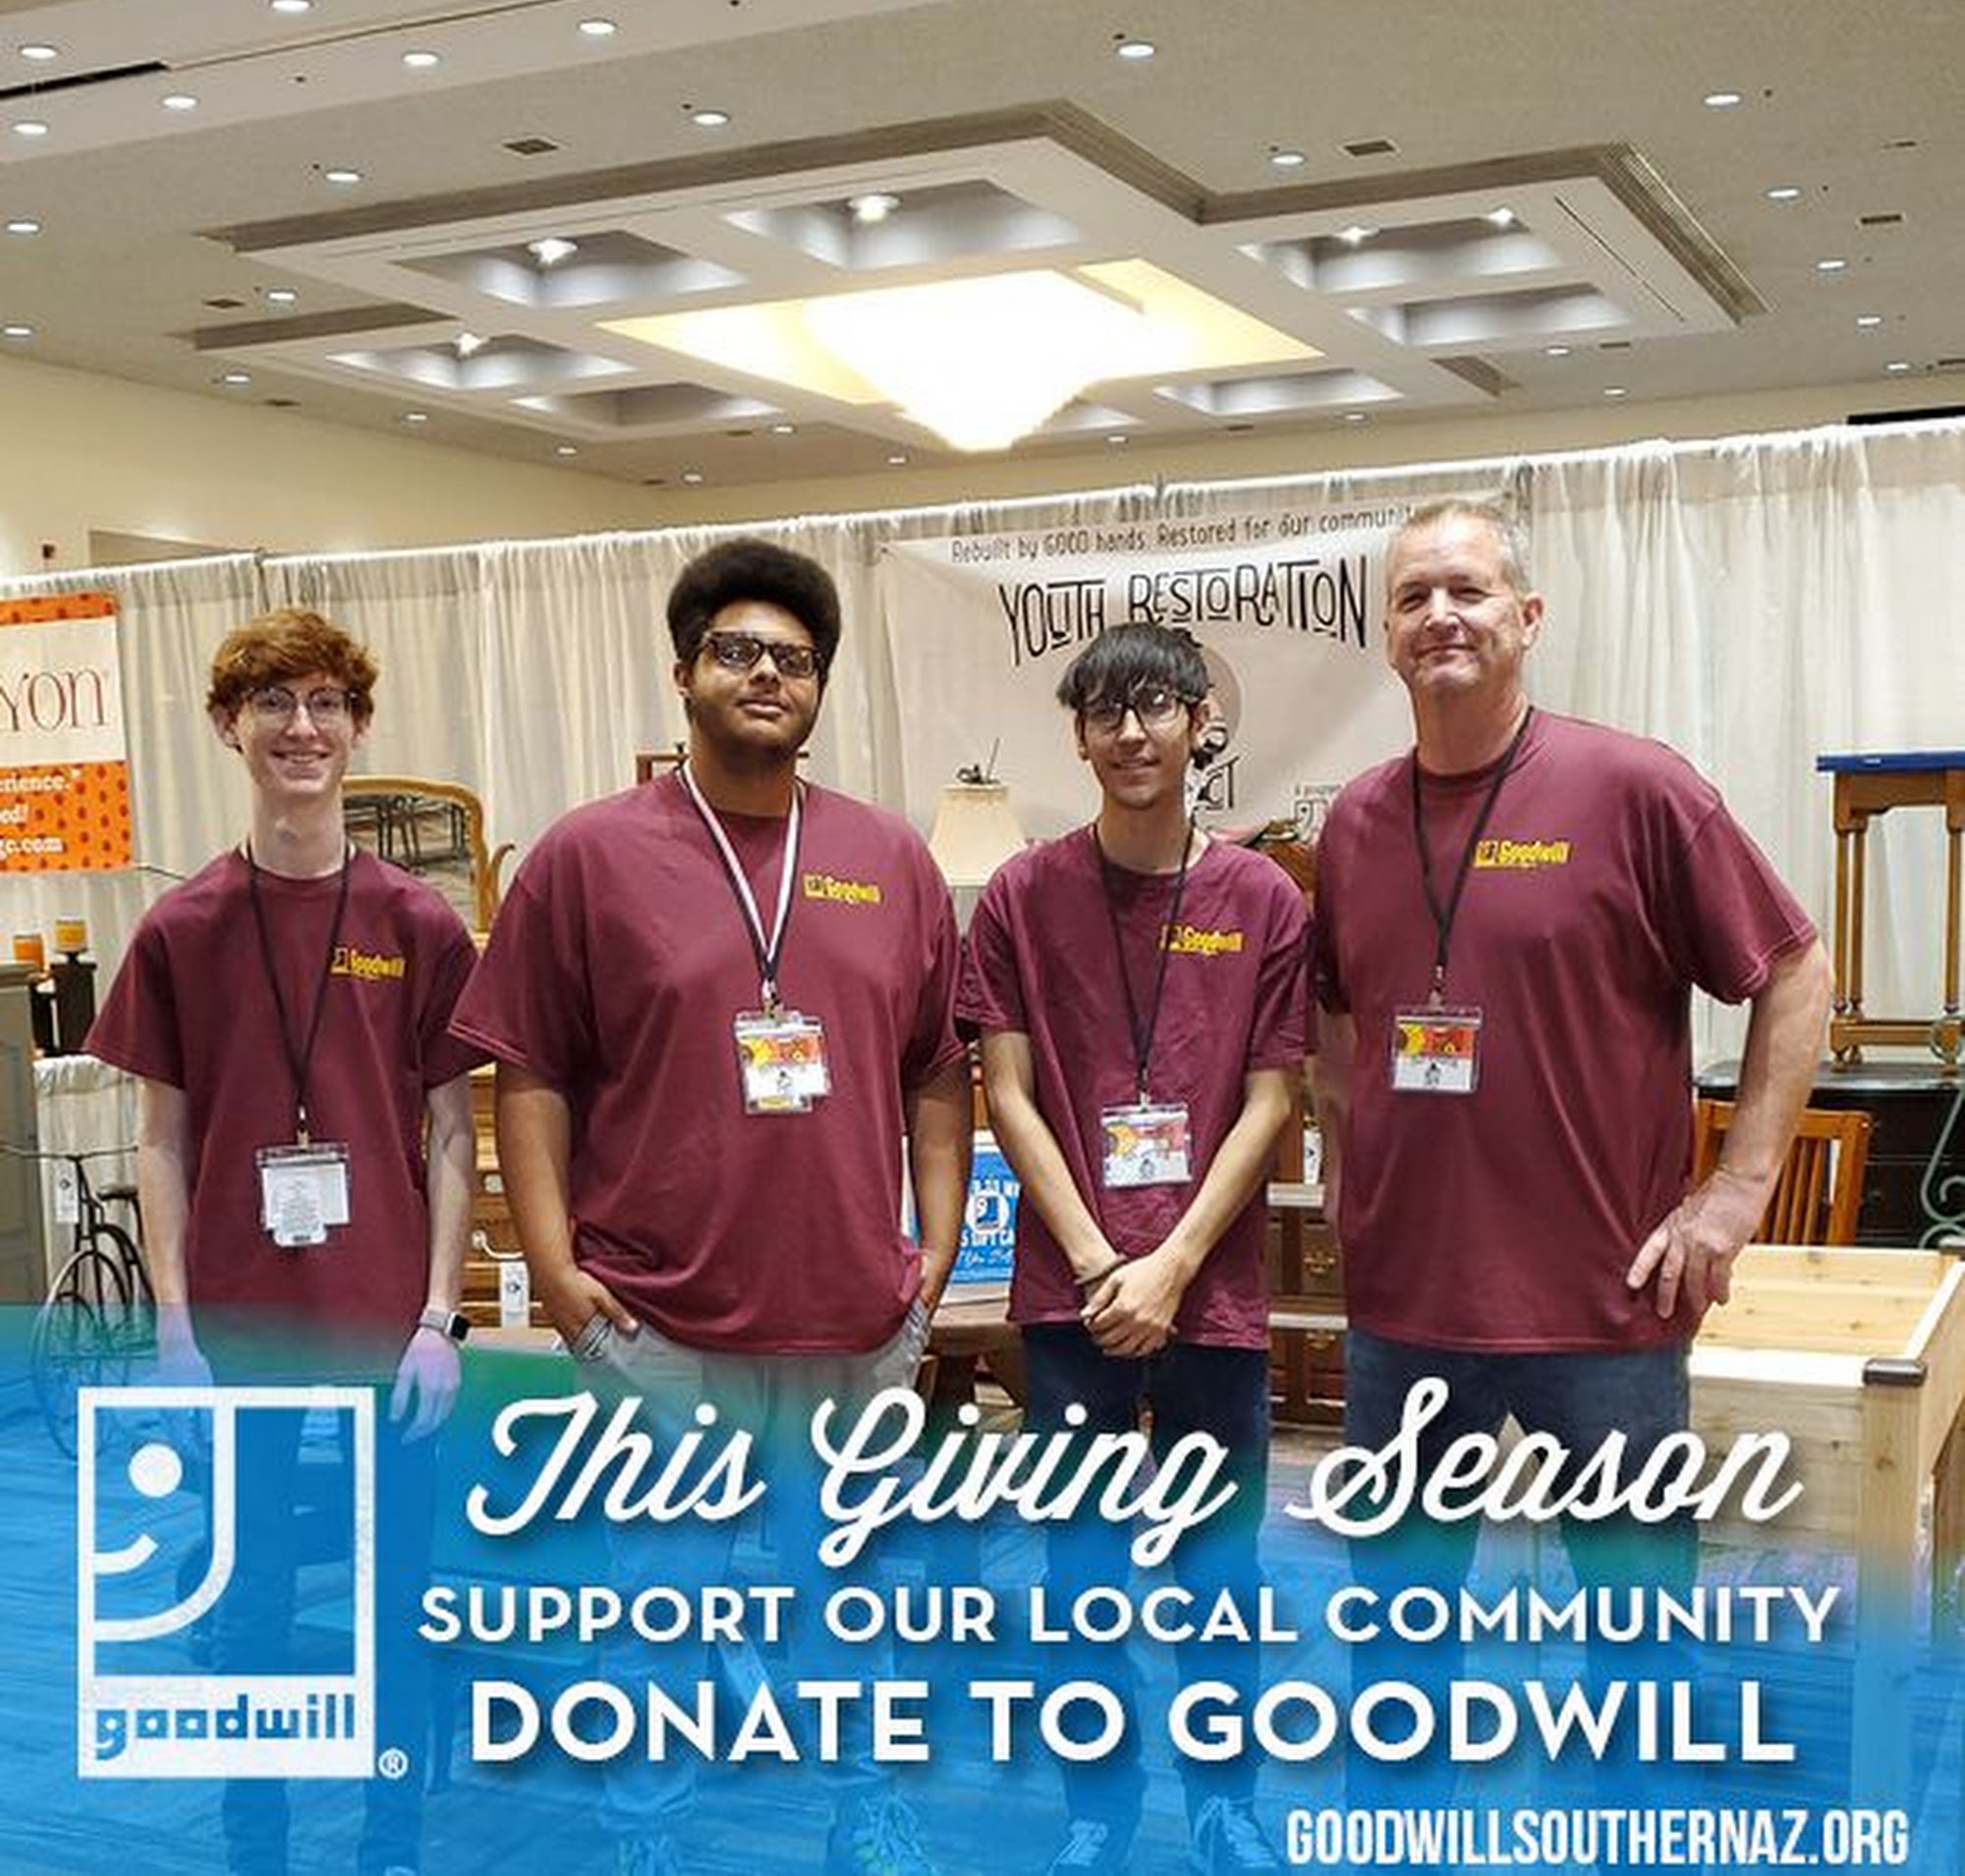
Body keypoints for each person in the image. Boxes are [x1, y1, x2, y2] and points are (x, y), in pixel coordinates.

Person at [452, 535, 971, 1876]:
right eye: (736, 651)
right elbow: (530, 1073)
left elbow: (935, 1068)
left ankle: (867, 1807)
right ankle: (648, 1833)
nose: (766, 675)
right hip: (658, 1320)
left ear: (820, 688)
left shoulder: (887, 856)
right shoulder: (586, 857)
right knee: (658, 1604)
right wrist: (555, 1271)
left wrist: (936, 1251)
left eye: (793, 659)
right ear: (683, 672)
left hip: (853, 1314)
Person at [1310, 498, 1832, 1786]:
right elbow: (1331, 1010)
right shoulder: (1355, 822)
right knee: (1397, 1646)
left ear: (1528, 617)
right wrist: (1345, 1162)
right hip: (1406, 1311)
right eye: (1413, 596)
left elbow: (1794, 967)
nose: (1441, 615)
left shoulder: (1634, 788)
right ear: (1386, 635)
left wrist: (1736, 1191)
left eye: (1469, 590)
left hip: (1605, 1307)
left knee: (1635, 1648)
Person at [85, 607, 479, 1876]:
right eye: (272, 704)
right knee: (248, 1605)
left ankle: (391, 1842)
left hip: (387, 1330)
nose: (300, 728)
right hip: (240, 1335)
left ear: (358, 726)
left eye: (323, 703)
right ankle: (254, 1844)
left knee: (394, 1604)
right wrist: (174, 1330)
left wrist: (439, 1318)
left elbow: (450, 1136)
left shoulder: (417, 923)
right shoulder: (183, 928)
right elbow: (160, 1143)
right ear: (228, 726)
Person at [960, 622, 1310, 1876]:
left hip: (1210, 1295)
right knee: (1082, 1572)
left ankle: (1224, 1805)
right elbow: (1007, 1093)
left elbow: (1270, 1097)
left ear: (1200, 725)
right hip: (1073, 1298)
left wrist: (1169, 1265)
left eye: (1155, 705)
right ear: (1077, 736)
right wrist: (1104, 1262)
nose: (1130, 732)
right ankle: (1096, 1812)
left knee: (1220, 1565)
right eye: (1104, 712)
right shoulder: (1019, 894)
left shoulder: (1262, 899)